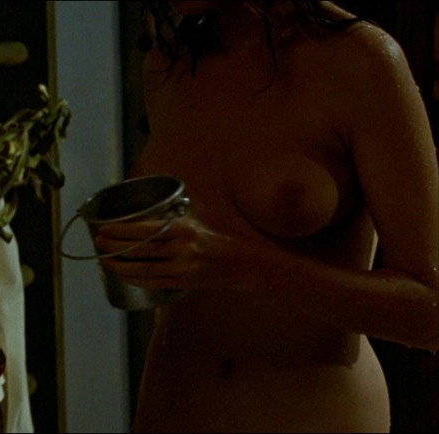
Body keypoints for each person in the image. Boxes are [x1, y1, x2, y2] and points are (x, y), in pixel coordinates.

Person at [93, 1, 438, 432]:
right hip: (170, 407)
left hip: (311, 415)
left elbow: (429, 313)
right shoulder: (169, 63)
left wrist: (243, 266)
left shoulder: (361, 61)